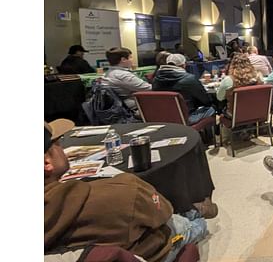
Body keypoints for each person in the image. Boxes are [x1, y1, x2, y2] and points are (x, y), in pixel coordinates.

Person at [45, 120, 209, 262]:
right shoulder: (120, 191)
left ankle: (194, 210)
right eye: (57, 144)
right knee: (189, 223)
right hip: (155, 251)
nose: (62, 148)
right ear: (46, 163)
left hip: (123, 245)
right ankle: (196, 212)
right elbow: (163, 214)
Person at [152, 54, 216, 124]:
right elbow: (206, 101)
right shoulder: (189, 79)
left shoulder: (156, 79)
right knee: (212, 108)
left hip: (163, 118)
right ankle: (208, 134)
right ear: (184, 65)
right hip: (186, 118)